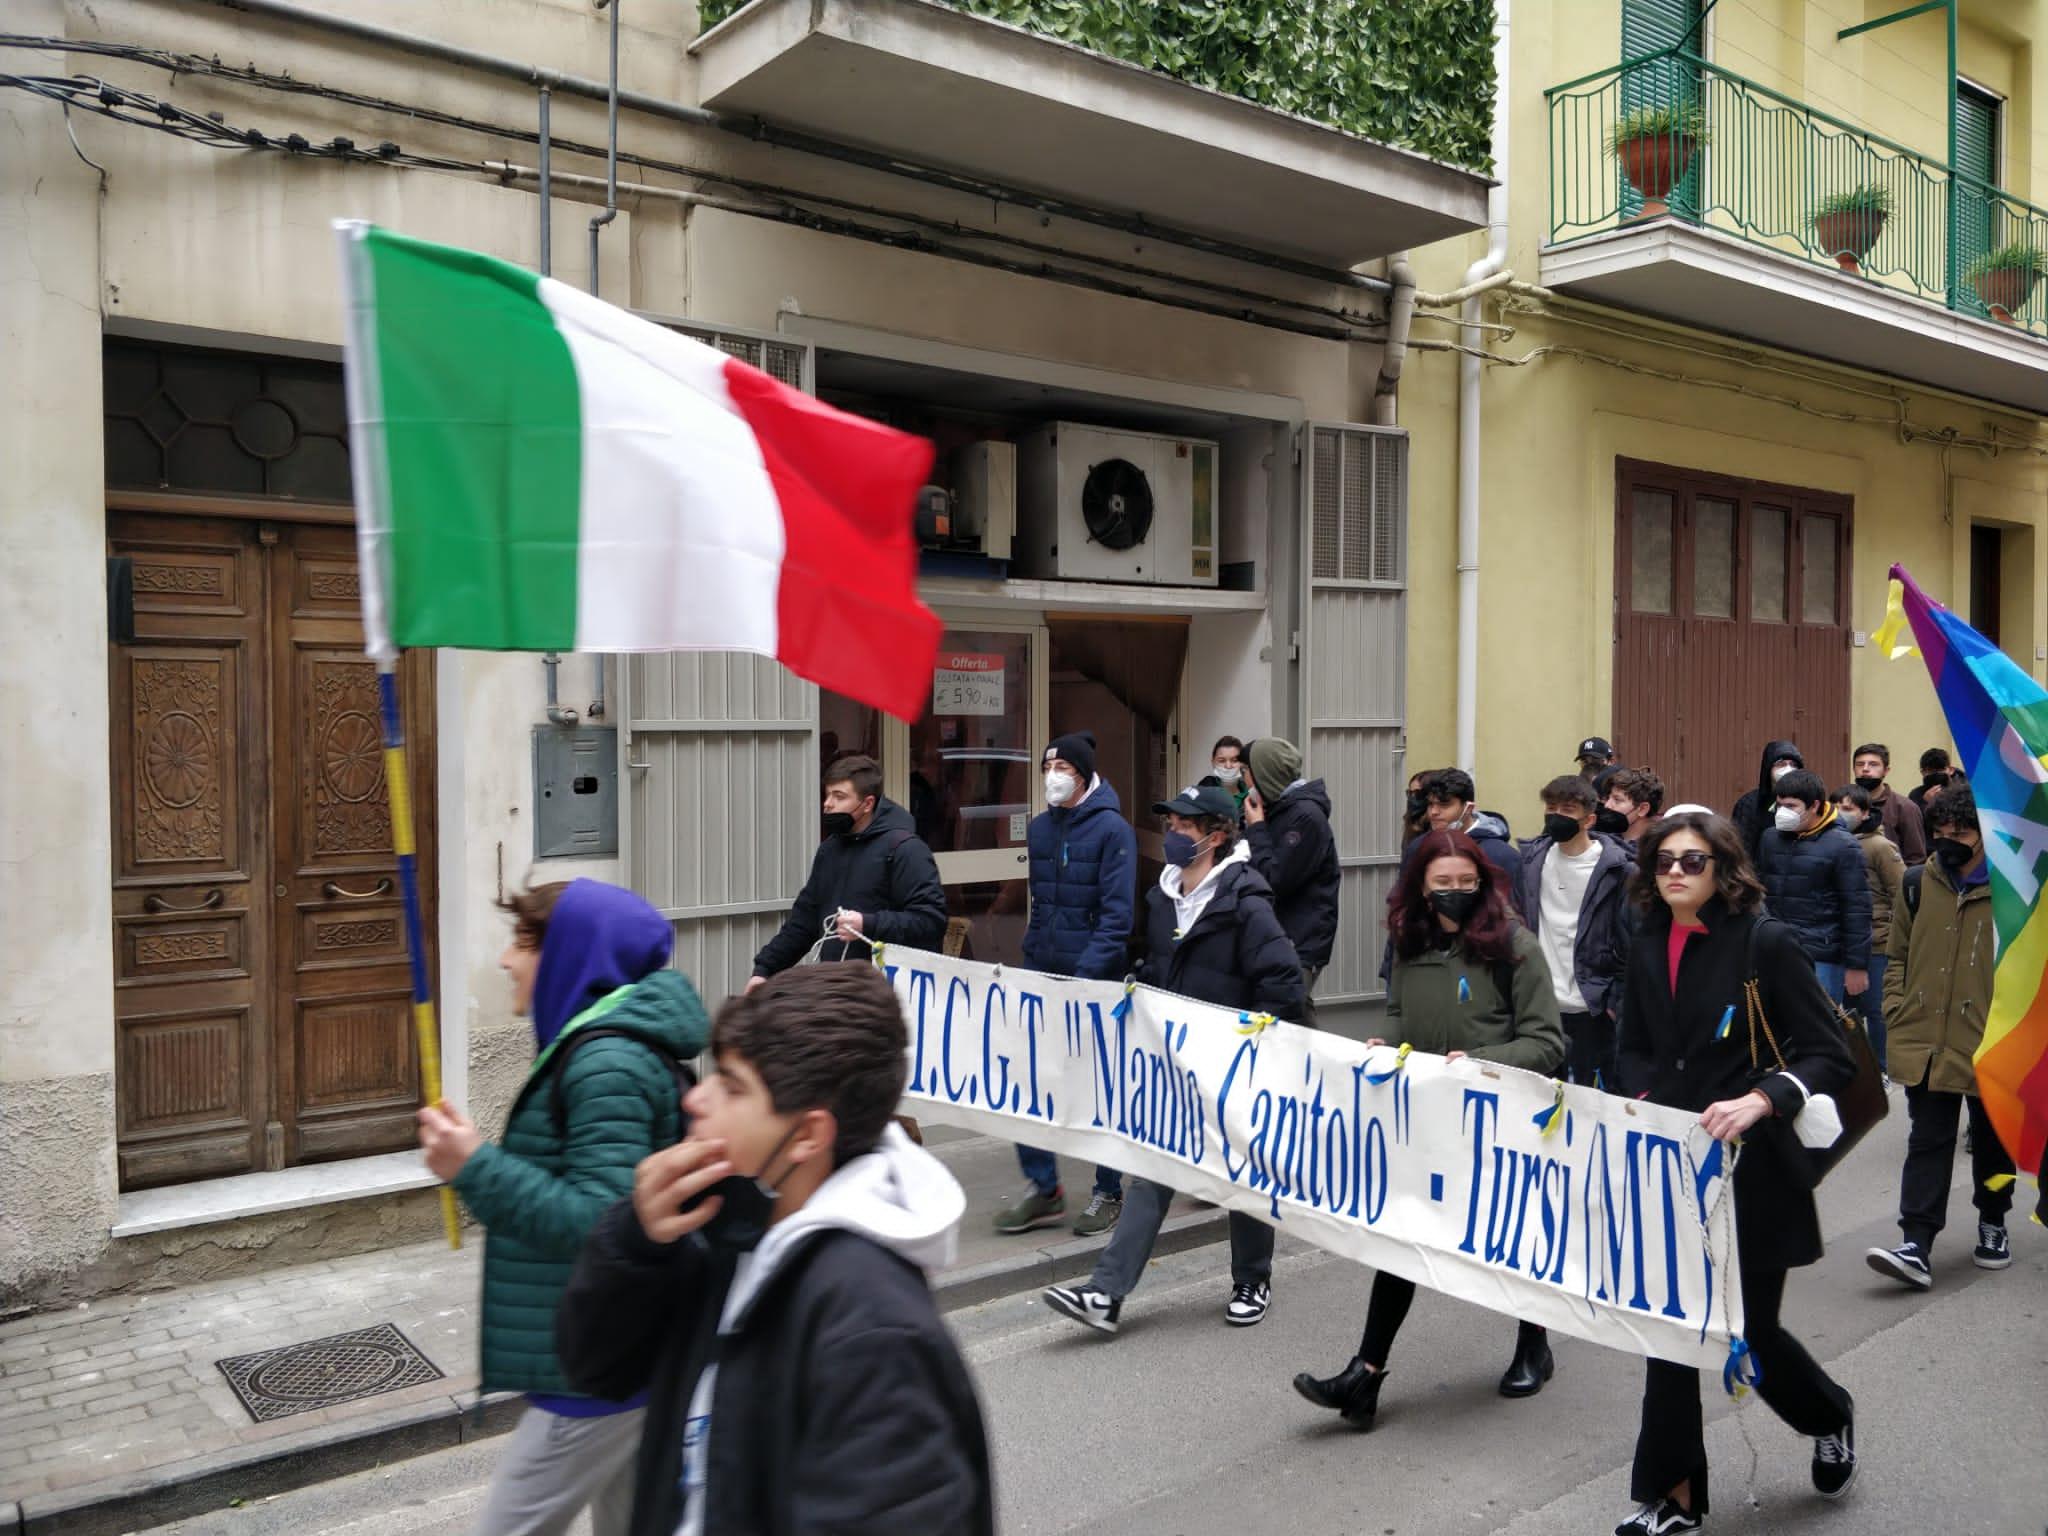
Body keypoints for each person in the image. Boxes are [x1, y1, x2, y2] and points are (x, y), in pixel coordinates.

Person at [555, 964, 993, 1536]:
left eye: (733, 1087)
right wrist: (637, 1239)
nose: (697, 1099)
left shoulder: (872, 1327)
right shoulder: (726, 1223)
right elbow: (595, 1369)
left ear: (808, 1136)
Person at [416, 880, 709, 1536]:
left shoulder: (606, 1062)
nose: (504, 960)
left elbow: (604, 1226)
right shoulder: (602, 1046)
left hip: (597, 1375)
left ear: (573, 953)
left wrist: (475, 1168)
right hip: (622, 1358)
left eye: (522, 942)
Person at [1611, 812, 1857, 1534]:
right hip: (1671, 1169)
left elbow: (1827, 1055)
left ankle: (1830, 1413)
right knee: (1671, 1332)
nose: (1677, 873)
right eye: (1664, 862)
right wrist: (1645, 1101)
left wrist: (1761, 1098)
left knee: (1750, 1335)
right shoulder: (1648, 941)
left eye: (1693, 860)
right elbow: (1634, 1048)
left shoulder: (1766, 942)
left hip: (1755, 1174)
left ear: (1723, 868)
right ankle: (1672, 1497)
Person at [1293, 828, 1564, 1428]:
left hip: (1497, 1120)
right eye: (1442, 884)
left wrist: (1482, 1066)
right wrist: (1387, 1043)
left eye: (1466, 884)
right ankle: (1364, 1376)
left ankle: (1533, 1346)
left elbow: (1546, 1043)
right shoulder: (1408, 942)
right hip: (1425, 1120)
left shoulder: (1516, 947)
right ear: (1419, 887)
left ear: (1483, 884)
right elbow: (1398, 1012)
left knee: (1510, 1238)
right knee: (1403, 1238)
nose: (1455, 894)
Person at [1043, 782, 1304, 1334]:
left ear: (1215, 835)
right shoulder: (1163, 898)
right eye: (1171, 825)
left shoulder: (1243, 899)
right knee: (1153, 1172)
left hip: (1232, 1068)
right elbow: (1163, 967)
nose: (1174, 835)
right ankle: (1105, 1294)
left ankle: (1251, 1279)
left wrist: (1246, 1046)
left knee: (1242, 1176)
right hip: (1177, 1067)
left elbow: (1283, 980)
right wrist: (1142, 986)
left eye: (1185, 827)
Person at [1865, 783, 2017, 1289]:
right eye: (1940, 832)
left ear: (1987, 835)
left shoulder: (2019, 891)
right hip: (1925, 1038)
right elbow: (1899, 955)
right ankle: (1917, 1243)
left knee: (1995, 1146)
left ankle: (1993, 1220)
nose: (1948, 840)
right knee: (1928, 1140)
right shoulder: (1916, 882)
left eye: (1962, 832)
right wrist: (1895, 1009)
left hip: (1992, 1043)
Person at [994, 731, 1133, 1237]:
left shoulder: (1113, 831)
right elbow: (1042, 905)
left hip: (1091, 983)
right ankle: (1044, 1189)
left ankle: (1108, 1190)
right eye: (1046, 765)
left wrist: (1082, 978)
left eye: (1061, 766)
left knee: (1097, 1088)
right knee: (1023, 1080)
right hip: (1041, 974)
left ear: (1083, 774)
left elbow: (1117, 920)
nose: (1051, 774)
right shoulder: (1040, 831)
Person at [750, 754, 946, 986]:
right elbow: (804, 922)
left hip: (887, 992)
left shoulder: (906, 849)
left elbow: (930, 921)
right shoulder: (830, 850)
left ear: (867, 804)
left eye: (839, 796)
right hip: (837, 987)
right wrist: (764, 970)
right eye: (827, 794)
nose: (827, 804)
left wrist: (868, 924)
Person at [1515, 775, 1635, 1090]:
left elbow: (1631, 941)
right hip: (1542, 1005)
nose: (1556, 816)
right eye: (1551, 807)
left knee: (1591, 1099)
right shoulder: (1531, 861)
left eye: (1567, 809)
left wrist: (1614, 1002)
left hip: (1594, 1007)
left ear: (1589, 819)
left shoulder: (1618, 870)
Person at [1754, 769, 1871, 1007]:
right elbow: (1758, 891)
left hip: (1821, 957)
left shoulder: (1843, 846)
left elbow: (1857, 908)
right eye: (1779, 805)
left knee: (1818, 1027)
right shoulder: (1770, 838)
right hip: (1773, 950)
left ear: (1815, 806)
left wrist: (1856, 965)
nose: (1782, 812)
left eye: (1791, 806)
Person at [1242, 736, 1339, 1023]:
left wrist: (1257, 828)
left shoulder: (1305, 818)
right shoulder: (1278, 809)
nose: (1243, 781)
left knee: (1285, 1014)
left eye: (1246, 772)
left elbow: (1273, 879)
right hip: (1277, 935)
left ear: (1264, 774)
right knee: (1292, 1012)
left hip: (1299, 940)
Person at [1834, 784, 1903, 1072]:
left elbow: (1899, 893)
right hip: (1840, 942)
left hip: (1877, 942)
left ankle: (1883, 1069)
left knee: (1877, 1011)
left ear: (1864, 813)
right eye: (1836, 806)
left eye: (1848, 808)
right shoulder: (1830, 842)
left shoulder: (1880, 847)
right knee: (1846, 1012)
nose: (1840, 813)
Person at [1416, 768, 1524, 898]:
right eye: (1430, 804)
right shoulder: (1418, 847)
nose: (1433, 812)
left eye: (1444, 805)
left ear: (1468, 809)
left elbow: (1514, 910)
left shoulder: (1502, 855)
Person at [1849, 743, 1927, 866]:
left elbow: (1915, 859)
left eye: (1873, 764)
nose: (1865, 769)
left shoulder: (1905, 808)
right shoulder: (1843, 804)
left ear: (1886, 770)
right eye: (1860, 764)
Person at [1730, 739, 1804, 859]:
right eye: (1781, 764)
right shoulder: (1750, 804)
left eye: (1793, 764)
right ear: (1768, 768)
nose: (1788, 769)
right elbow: (1741, 849)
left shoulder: (1807, 802)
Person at [1605, 766, 1666, 846]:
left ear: (1642, 809)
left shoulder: (1660, 850)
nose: (1607, 805)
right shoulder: (1601, 839)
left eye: (1617, 800)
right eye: (1608, 798)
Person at [1907, 746, 1961, 815]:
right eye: (1931, 771)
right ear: (1923, 772)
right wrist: (1925, 803)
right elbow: (1914, 821)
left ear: (1951, 770)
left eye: (1941, 770)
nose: (1936, 774)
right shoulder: (1916, 795)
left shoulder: (1965, 792)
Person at [1210, 734, 1251, 817]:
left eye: (1234, 760)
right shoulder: (1202, 794)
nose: (1228, 766)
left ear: (1242, 763)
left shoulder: (1252, 796)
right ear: (1213, 762)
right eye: (1222, 761)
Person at [1401, 768, 1438, 848]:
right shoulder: (1411, 822)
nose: (1412, 798)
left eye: (1418, 794)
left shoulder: (1439, 824)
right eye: (1410, 793)